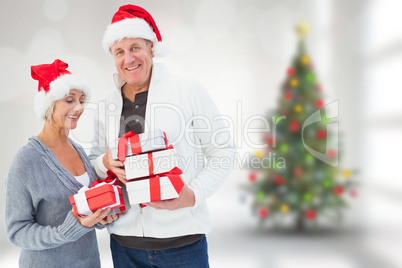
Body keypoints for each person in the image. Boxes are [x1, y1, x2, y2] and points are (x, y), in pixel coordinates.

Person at [89, 4, 236, 267]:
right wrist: (104, 162)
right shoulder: (105, 105)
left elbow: (224, 151)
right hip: (125, 247)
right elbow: (93, 162)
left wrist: (193, 194)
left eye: (135, 47)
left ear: (151, 49)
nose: (128, 59)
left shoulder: (187, 90)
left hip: (183, 245)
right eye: (119, 51)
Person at [5, 59, 117, 268]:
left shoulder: (79, 150)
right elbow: (17, 231)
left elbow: (86, 211)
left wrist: (100, 218)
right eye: (69, 100)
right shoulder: (27, 159)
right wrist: (67, 230)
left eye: (82, 100)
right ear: (49, 103)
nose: (79, 107)